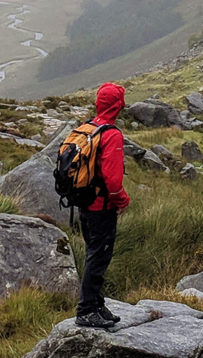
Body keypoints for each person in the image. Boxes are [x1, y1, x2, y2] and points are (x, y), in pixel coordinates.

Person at [75, 82, 131, 328]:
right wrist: (123, 200)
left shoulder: (87, 128)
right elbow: (112, 180)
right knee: (99, 257)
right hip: (101, 207)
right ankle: (86, 310)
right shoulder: (112, 135)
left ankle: (97, 305)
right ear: (119, 106)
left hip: (84, 204)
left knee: (93, 253)